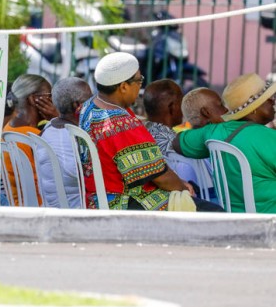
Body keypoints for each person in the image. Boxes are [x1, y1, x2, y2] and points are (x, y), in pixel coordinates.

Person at [79, 52, 195, 211]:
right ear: (123, 87)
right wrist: (183, 187)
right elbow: (160, 177)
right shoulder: (121, 125)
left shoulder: (89, 106)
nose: (141, 85)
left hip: (95, 197)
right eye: (139, 80)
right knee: (213, 212)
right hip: (124, 202)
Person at [172, 73, 276, 213]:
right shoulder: (269, 138)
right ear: (254, 106)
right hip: (269, 215)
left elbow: (177, 142)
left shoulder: (214, 131)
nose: (273, 101)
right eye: (267, 98)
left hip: (232, 216)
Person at [36, 77, 91, 208]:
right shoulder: (66, 135)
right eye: (90, 100)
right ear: (77, 105)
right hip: (73, 210)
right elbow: (73, 172)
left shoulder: (50, 127)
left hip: (55, 206)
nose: (94, 104)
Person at [3, 74, 58, 206]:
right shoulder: (37, 138)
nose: (53, 101)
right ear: (33, 99)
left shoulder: (7, 129)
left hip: (17, 206)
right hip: (44, 206)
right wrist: (57, 119)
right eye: (49, 95)